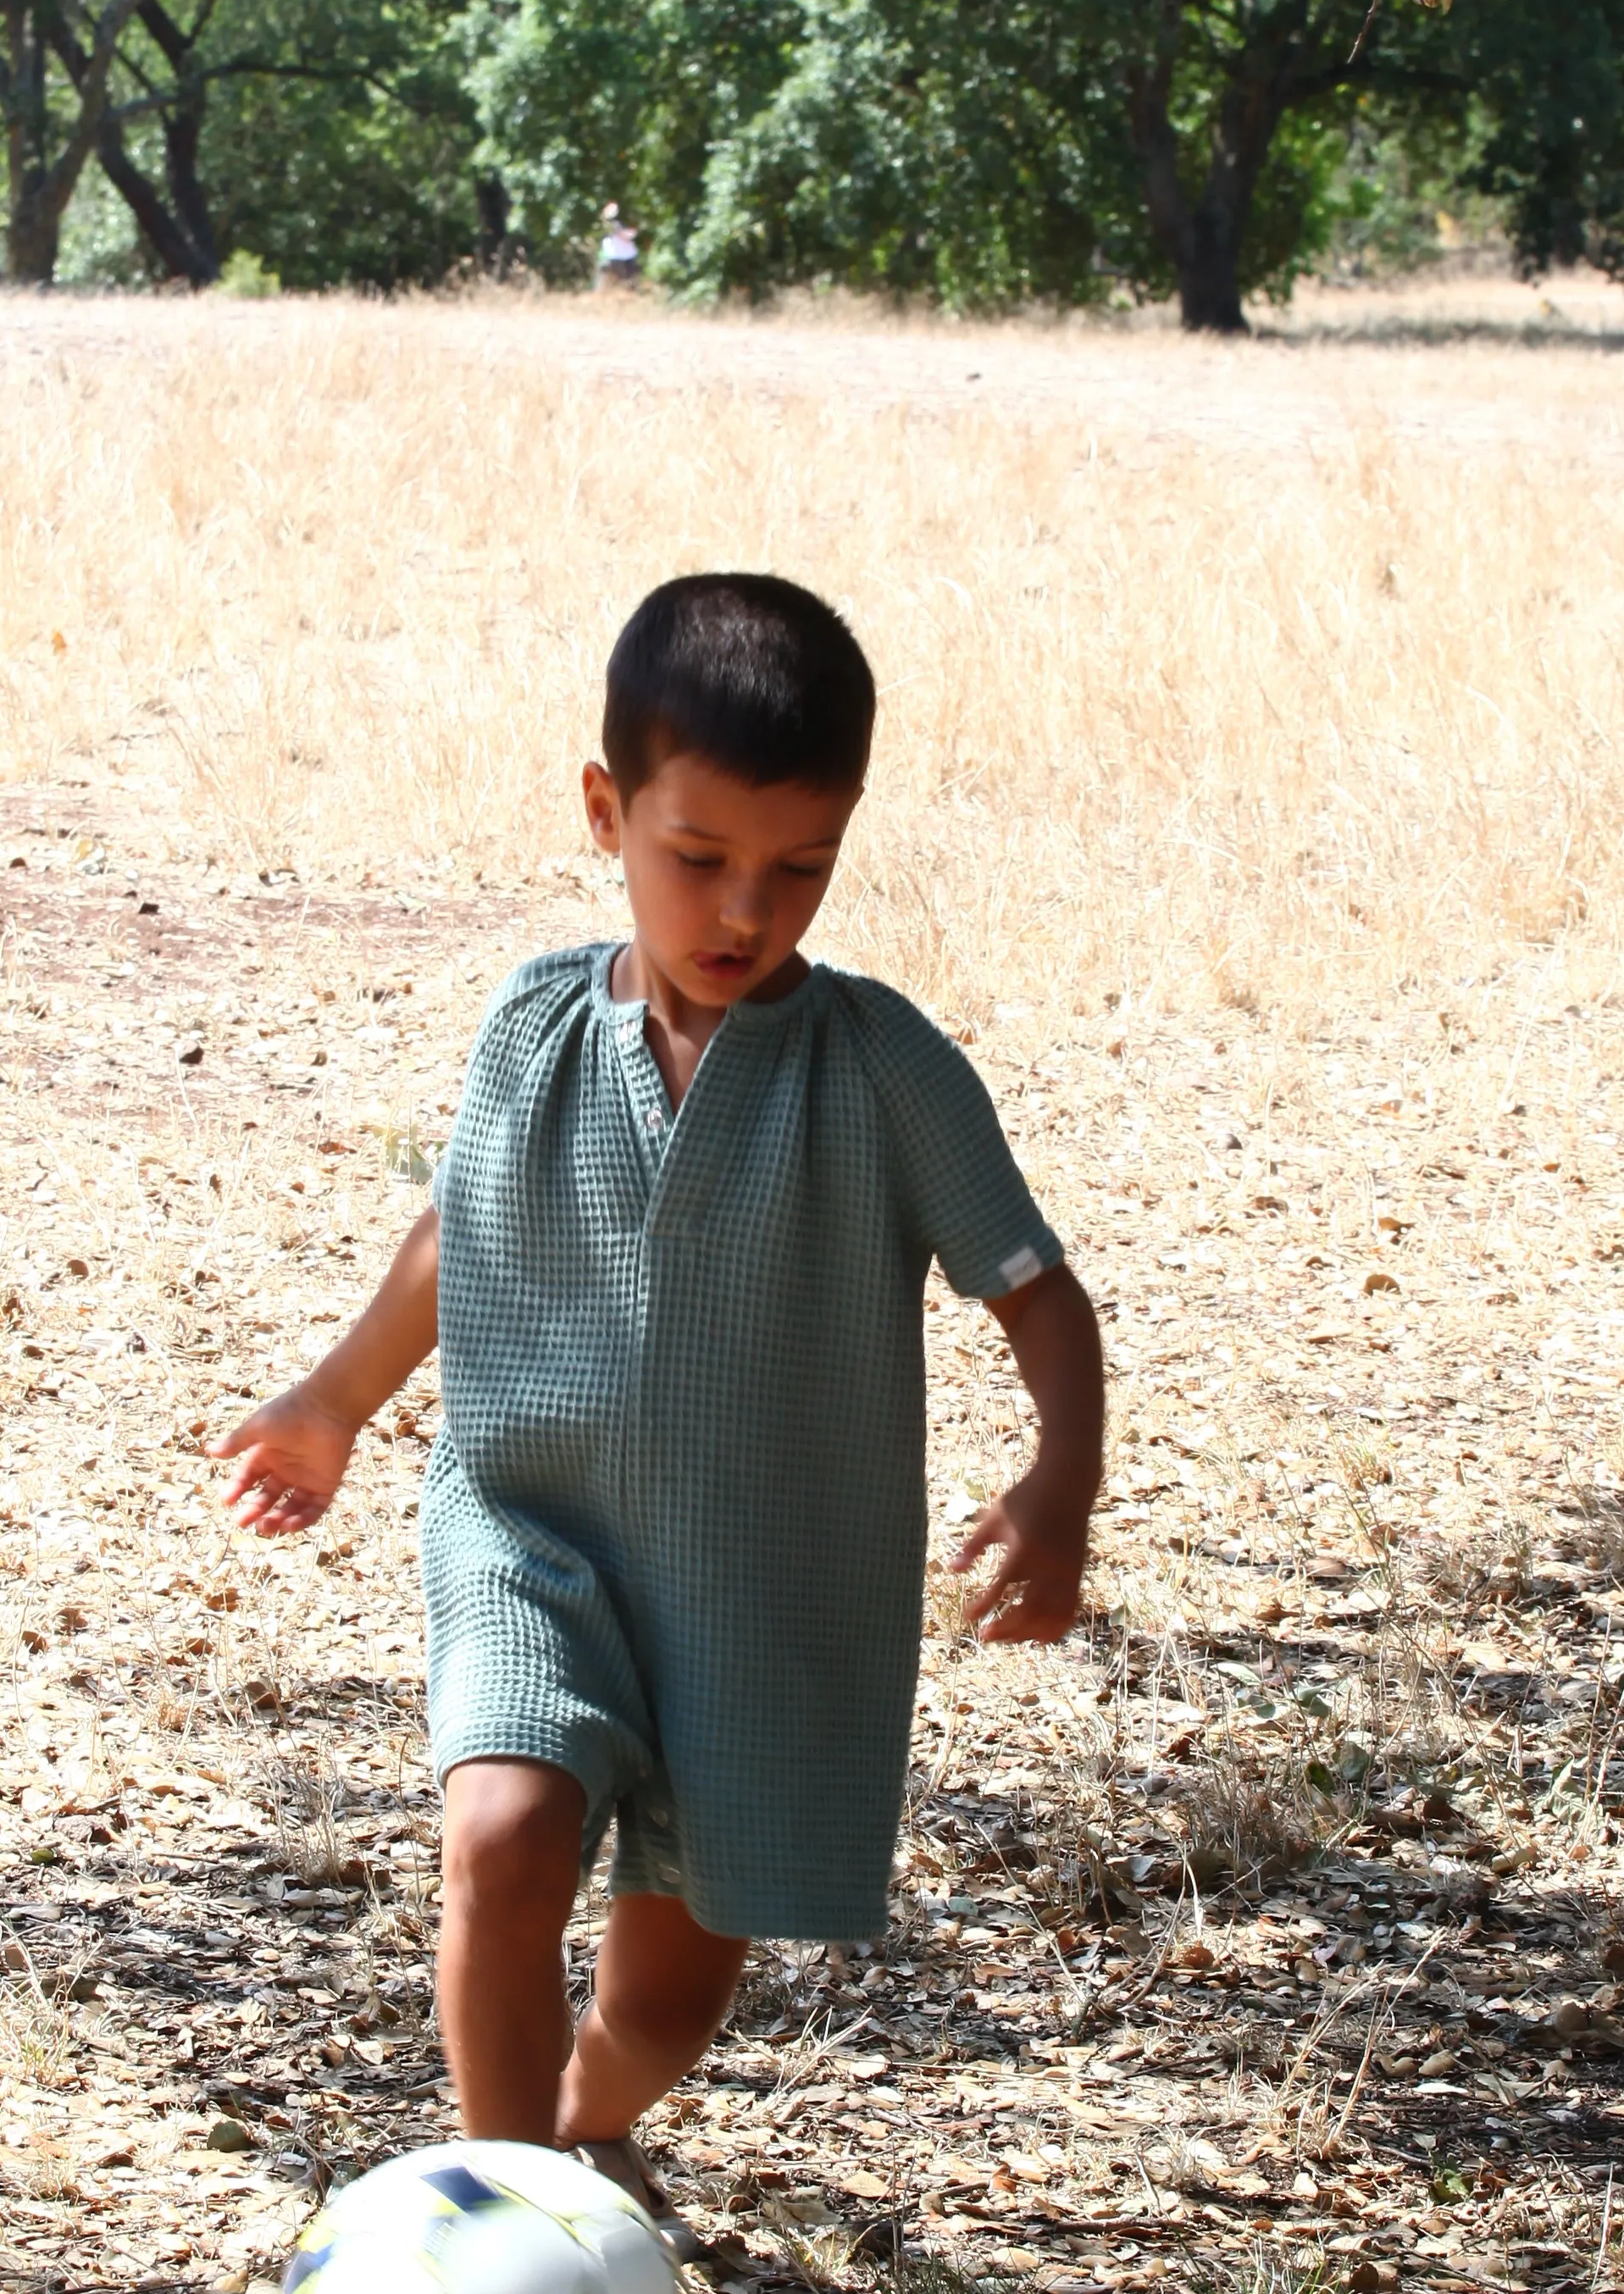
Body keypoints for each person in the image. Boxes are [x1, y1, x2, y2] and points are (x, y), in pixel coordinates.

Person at [213, 570, 1105, 2191]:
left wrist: (1061, 1480)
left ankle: (584, 2127)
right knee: (500, 1838)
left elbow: (1035, 1289)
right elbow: (459, 1234)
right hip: (529, 1530)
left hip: (765, 1591)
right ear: (606, 811)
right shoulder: (537, 1023)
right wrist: (335, 1401)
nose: (745, 913)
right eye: (697, 860)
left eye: (799, 869)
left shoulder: (883, 1066)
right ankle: (502, 2227)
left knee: (669, 1998)